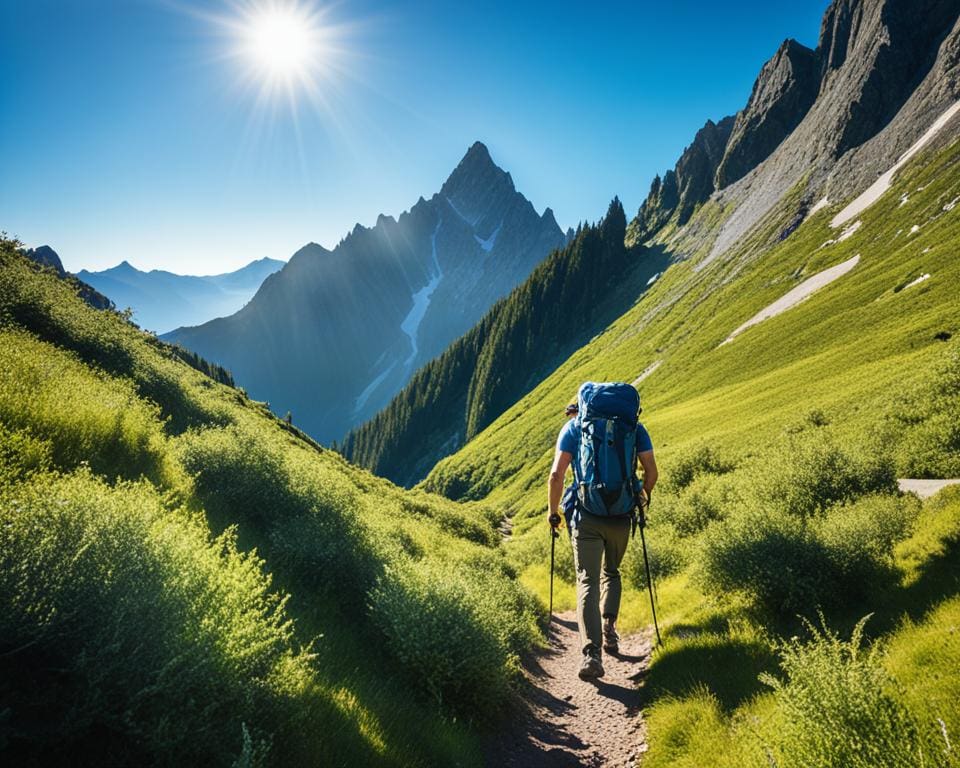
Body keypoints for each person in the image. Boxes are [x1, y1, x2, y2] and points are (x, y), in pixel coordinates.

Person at [547, 392, 658, 680]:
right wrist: (642, 499)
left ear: (580, 410)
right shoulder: (634, 427)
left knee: (587, 580)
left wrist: (553, 512)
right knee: (612, 572)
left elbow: (556, 475)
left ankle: (591, 653)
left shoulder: (573, 429)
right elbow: (652, 472)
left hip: (588, 516)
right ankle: (610, 629)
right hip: (621, 515)